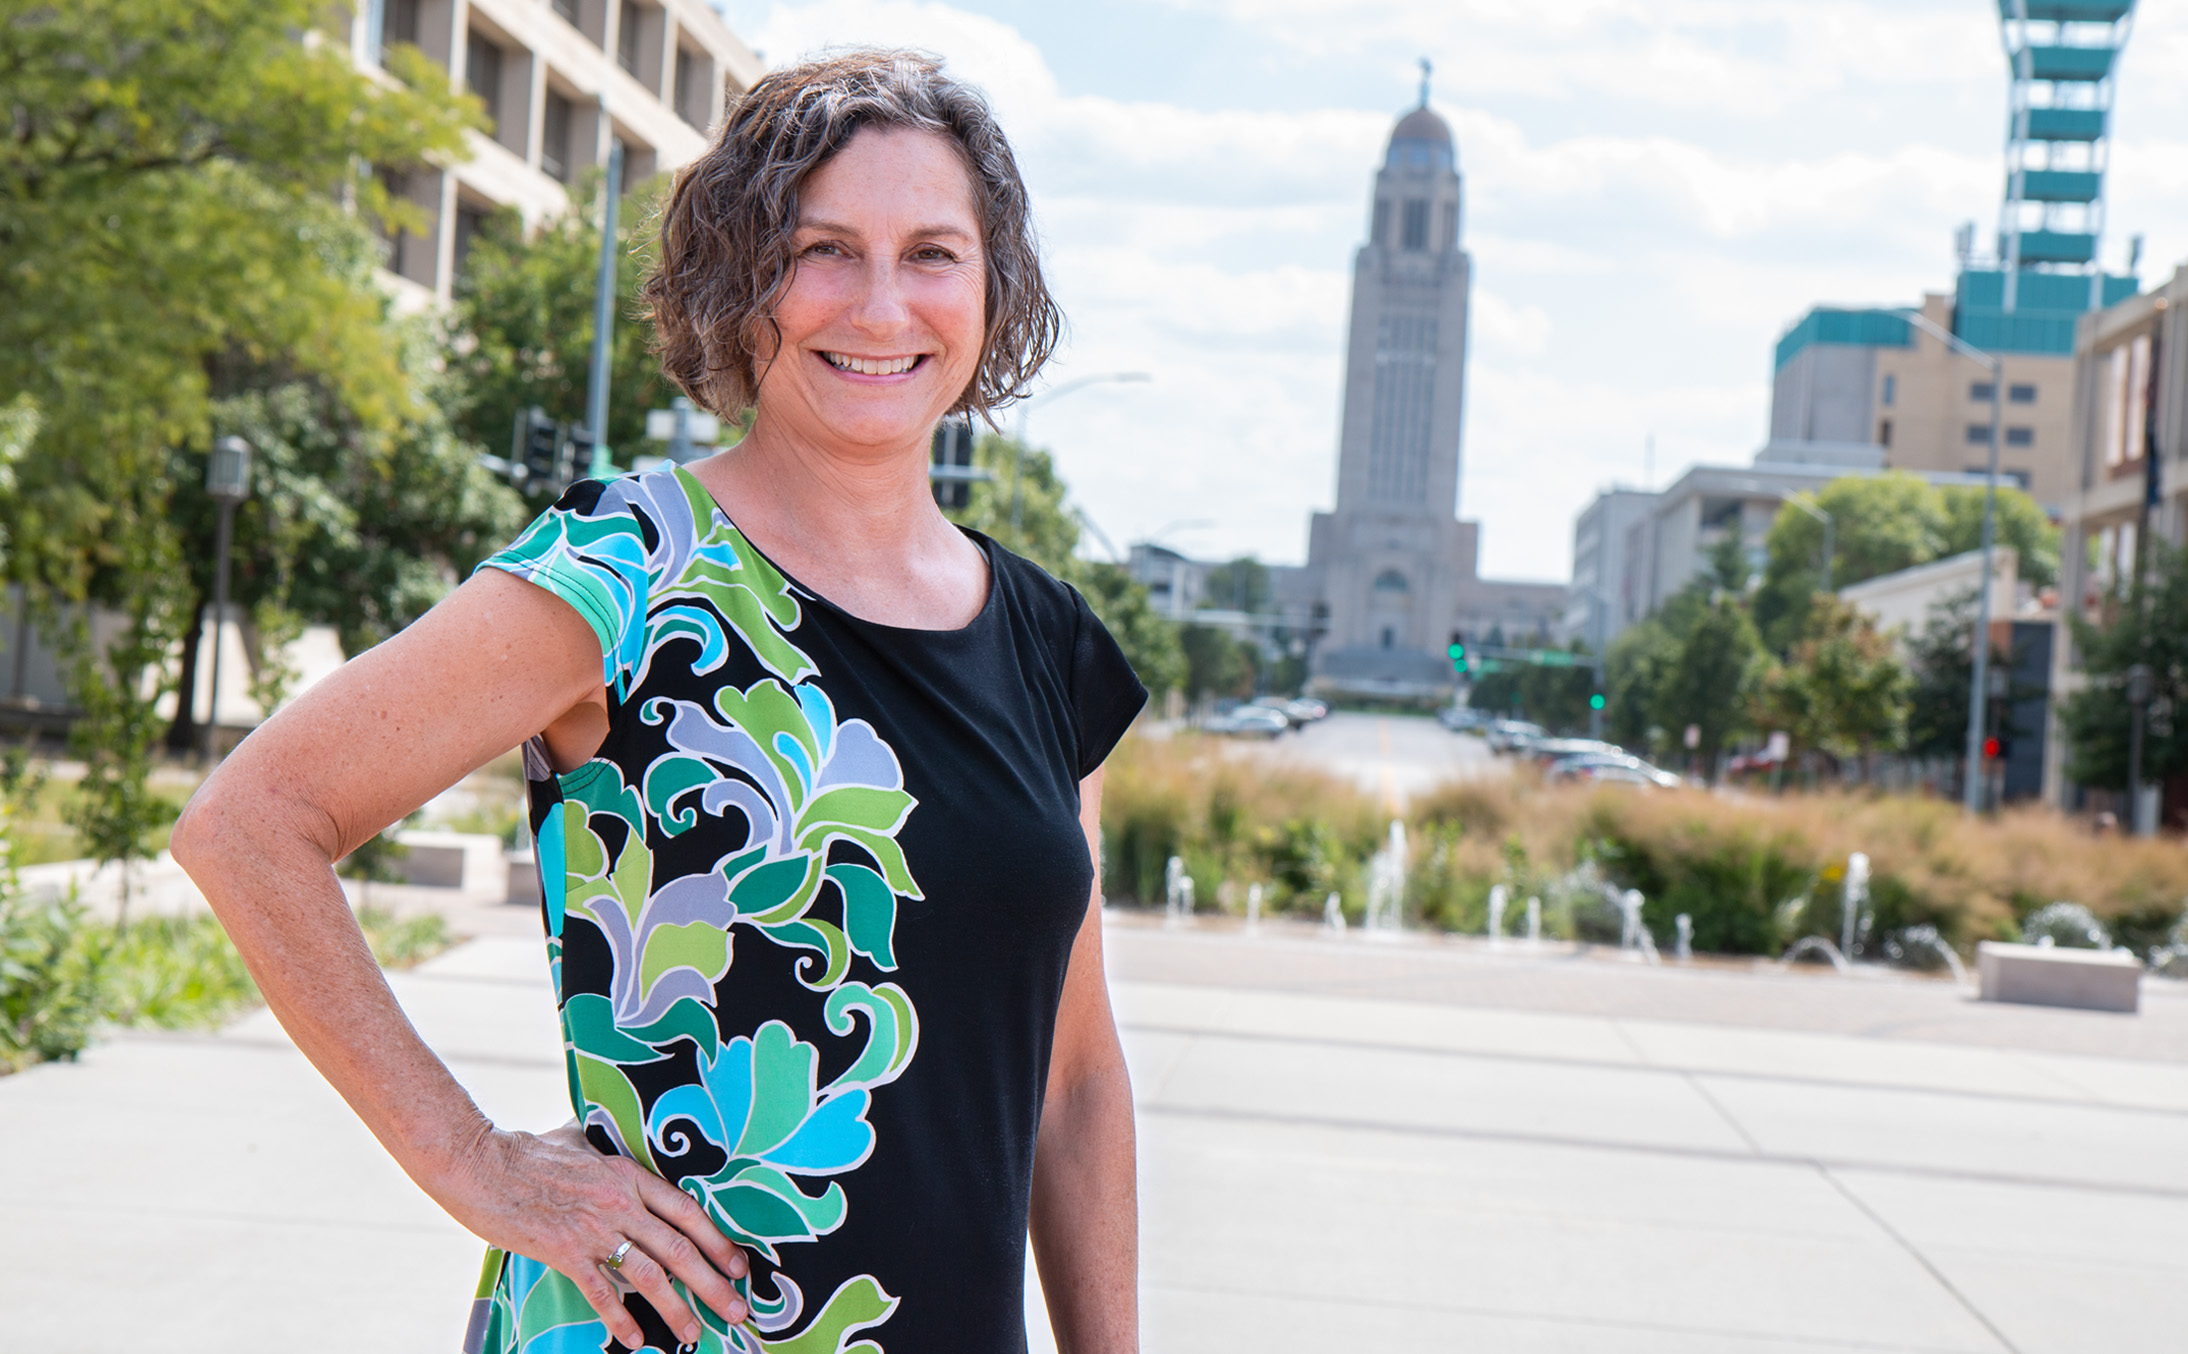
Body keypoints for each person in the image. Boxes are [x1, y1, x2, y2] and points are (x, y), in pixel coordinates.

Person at [172, 49, 1144, 1354]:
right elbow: (249, 822)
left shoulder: (1048, 643)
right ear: (741, 278)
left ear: (993, 287)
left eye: (932, 253)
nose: (878, 303)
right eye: (822, 249)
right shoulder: (626, 571)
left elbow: (1073, 1083)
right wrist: (480, 1167)